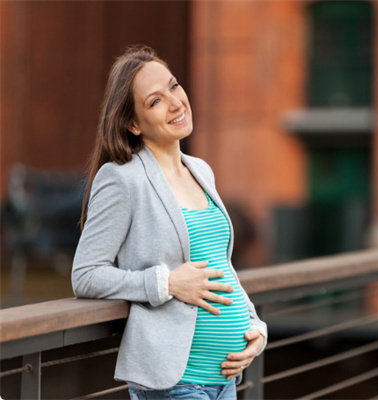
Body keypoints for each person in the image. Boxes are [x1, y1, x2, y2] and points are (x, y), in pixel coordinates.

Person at [71, 45, 267, 400]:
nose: (176, 102)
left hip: (225, 380)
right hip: (175, 383)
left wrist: (255, 327)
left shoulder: (201, 170)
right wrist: (167, 283)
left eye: (174, 86)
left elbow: (220, 267)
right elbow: (86, 274)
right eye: (155, 101)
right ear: (133, 123)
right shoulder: (122, 179)